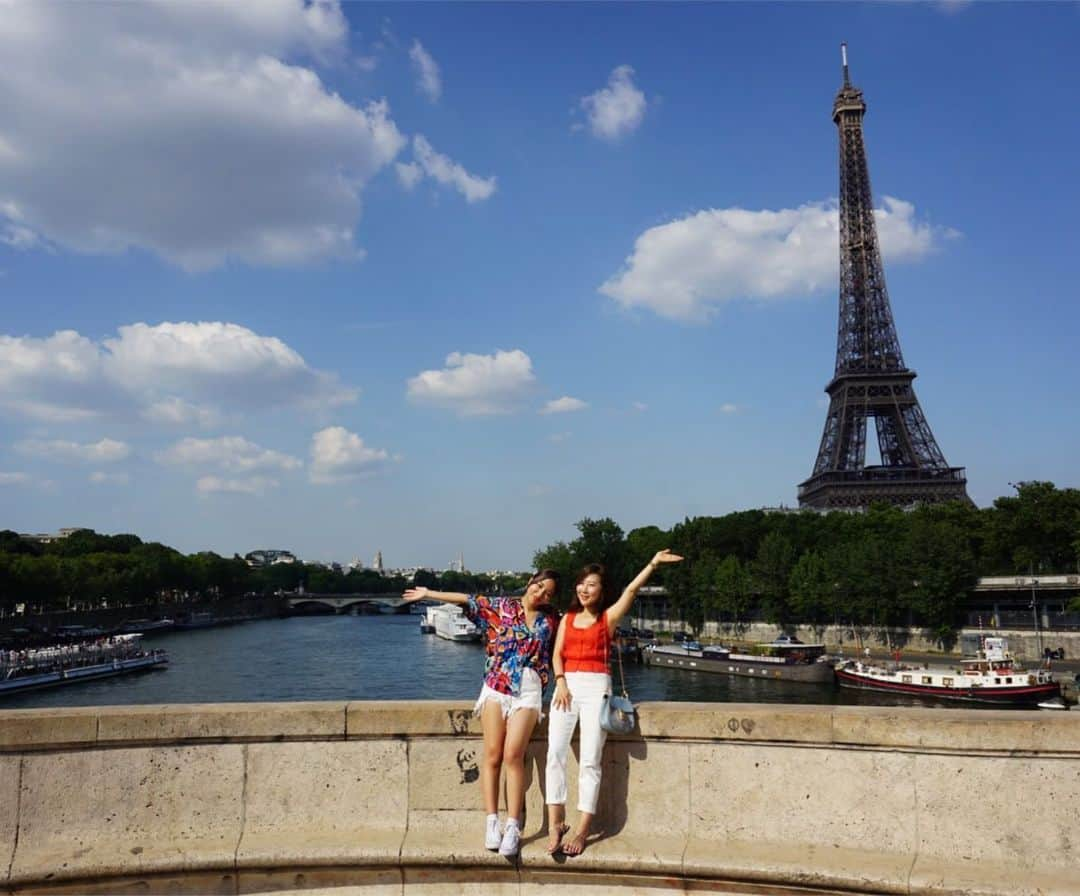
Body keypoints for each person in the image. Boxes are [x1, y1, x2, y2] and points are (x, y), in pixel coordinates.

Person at [402, 570, 560, 856]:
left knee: (514, 755)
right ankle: (492, 821)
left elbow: (564, 647)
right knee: (492, 754)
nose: (541, 594)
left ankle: (513, 825)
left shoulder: (551, 619)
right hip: (497, 684)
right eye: (539, 587)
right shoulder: (502, 606)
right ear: (530, 583)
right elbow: (467, 600)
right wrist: (429, 594)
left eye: (548, 593)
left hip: (529, 689)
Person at [545, 549, 683, 856]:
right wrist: (561, 682)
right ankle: (557, 823)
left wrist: (652, 562)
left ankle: (582, 830)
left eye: (591, 585)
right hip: (566, 688)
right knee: (555, 753)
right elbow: (556, 655)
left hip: (597, 688)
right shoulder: (567, 619)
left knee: (590, 760)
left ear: (602, 590)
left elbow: (631, 590)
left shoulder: (608, 618)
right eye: (581, 583)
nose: (584, 589)